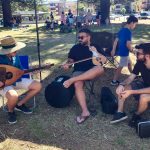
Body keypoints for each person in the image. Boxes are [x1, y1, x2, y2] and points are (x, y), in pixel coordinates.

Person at [62, 28, 104, 124]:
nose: (79, 39)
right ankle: (85, 111)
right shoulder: (75, 48)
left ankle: (72, 79)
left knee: (100, 68)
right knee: (77, 84)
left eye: (82, 37)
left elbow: (102, 61)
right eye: (78, 37)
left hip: (93, 71)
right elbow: (70, 61)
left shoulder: (96, 46)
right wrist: (67, 64)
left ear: (89, 37)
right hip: (79, 71)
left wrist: (95, 52)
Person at [0, 36, 42, 124]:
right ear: (7, 51)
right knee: (13, 96)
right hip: (4, 84)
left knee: (38, 85)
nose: (16, 51)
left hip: (17, 80)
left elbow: (20, 72)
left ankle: (19, 105)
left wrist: (32, 72)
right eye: (14, 50)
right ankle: (11, 111)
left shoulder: (16, 57)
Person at [110, 43, 150, 128]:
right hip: (145, 85)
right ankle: (120, 113)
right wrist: (121, 84)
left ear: (147, 56)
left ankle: (136, 116)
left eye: (138, 53)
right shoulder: (140, 62)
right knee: (124, 88)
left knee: (144, 97)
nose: (135, 54)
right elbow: (131, 77)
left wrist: (132, 92)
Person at [111, 16, 138, 86]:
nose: (135, 26)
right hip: (124, 52)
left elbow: (116, 41)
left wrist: (113, 50)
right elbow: (128, 44)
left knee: (129, 63)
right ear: (132, 23)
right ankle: (114, 81)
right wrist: (132, 50)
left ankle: (133, 76)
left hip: (122, 51)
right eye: (135, 24)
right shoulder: (128, 32)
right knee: (120, 67)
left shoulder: (121, 30)